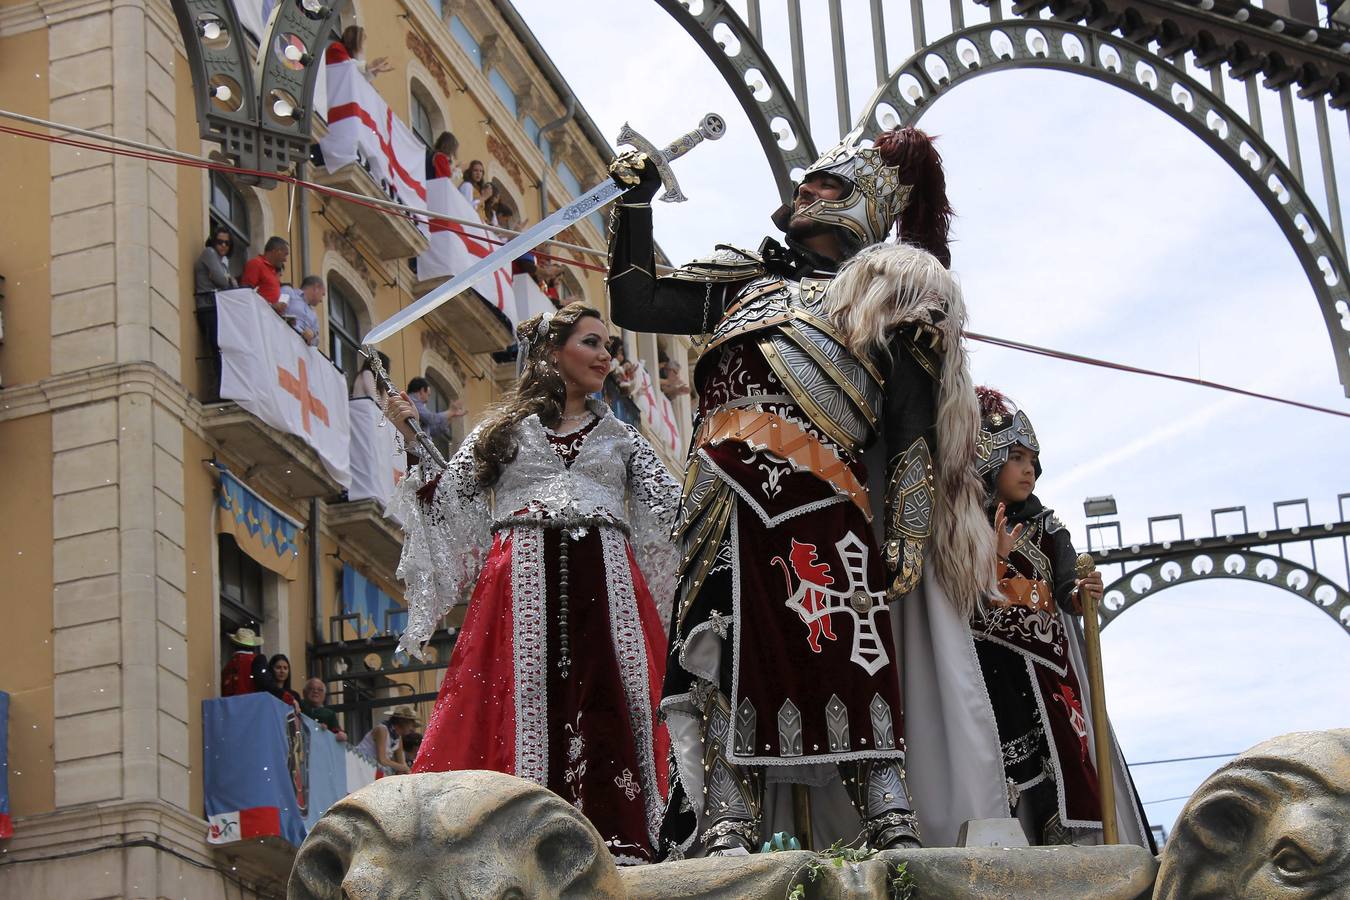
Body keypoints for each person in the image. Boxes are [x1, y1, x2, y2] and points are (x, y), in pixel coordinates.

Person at [607, 127, 1003, 856]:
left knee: (851, 647)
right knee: (718, 643)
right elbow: (639, 300)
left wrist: (910, 527)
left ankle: (889, 809)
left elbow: (911, 419)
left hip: (825, 492)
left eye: (824, 185)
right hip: (720, 491)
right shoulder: (742, 280)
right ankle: (726, 812)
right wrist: (634, 204)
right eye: (805, 184)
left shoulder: (892, 290)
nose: (805, 193)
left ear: (867, 203)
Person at [385, 303, 681, 864]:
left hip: (607, 590)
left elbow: (675, 516)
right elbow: (449, 507)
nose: (605, 356)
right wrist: (410, 436)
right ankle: (514, 837)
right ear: (552, 352)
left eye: (608, 346)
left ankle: (618, 837)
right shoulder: (500, 435)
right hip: (518, 588)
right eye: (592, 343)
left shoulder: (622, 439)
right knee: (515, 698)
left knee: (610, 706)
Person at [970, 387, 1154, 848]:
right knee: (1007, 756)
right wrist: (989, 559)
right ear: (989, 460)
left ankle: (1062, 838)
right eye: (1015, 456)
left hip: (1051, 666)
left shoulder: (1050, 526)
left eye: (1032, 458)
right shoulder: (965, 523)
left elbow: (1069, 584)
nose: (1028, 468)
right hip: (994, 661)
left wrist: (1082, 592)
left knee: (1064, 758)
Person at [194, 228, 238, 402]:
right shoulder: (209, 253)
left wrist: (226, 279)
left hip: (218, 308)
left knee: (222, 349)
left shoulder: (222, 261)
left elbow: (232, 286)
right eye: (220, 241)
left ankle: (224, 389)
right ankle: (220, 391)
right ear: (214, 242)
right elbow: (222, 281)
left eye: (227, 243)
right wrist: (225, 279)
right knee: (219, 348)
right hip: (209, 307)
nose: (223, 246)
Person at [354, 706, 419, 774]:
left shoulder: (398, 738)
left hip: (370, 768)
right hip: (359, 763)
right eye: (412, 723)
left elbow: (402, 762)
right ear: (402, 721)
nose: (413, 729)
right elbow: (382, 760)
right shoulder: (382, 730)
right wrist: (405, 768)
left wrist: (409, 773)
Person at [405, 376, 465, 442]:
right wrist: (450, 412)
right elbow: (431, 418)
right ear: (422, 391)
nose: (427, 400)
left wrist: (451, 416)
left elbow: (432, 431)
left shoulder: (414, 403)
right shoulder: (411, 401)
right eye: (428, 395)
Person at [240, 236, 289, 310]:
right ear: (276, 251)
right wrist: (272, 306)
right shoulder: (256, 264)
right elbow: (246, 294)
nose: (285, 260)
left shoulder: (272, 270)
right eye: (285, 254)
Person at [325, 25, 392, 79]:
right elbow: (348, 66)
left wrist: (375, 71)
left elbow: (358, 79)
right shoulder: (337, 47)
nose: (362, 45)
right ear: (354, 39)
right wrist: (369, 66)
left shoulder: (350, 57)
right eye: (362, 40)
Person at [220, 627, 269, 696]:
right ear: (253, 647)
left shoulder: (229, 665)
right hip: (252, 703)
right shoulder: (258, 661)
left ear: (234, 645)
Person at [299, 677, 347, 742]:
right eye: (311, 689)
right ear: (304, 692)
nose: (315, 691)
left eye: (320, 690)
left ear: (324, 695)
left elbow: (337, 732)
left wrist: (341, 735)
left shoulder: (329, 714)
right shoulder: (298, 705)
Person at [285, 275, 325, 346]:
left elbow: (316, 342)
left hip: (298, 350)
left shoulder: (314, 316)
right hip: (284, 337)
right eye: (322, 294)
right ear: (316, 288)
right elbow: (274, 310)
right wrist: (287, 320)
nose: (321, 300)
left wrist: (311, 337)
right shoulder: (289, 292)